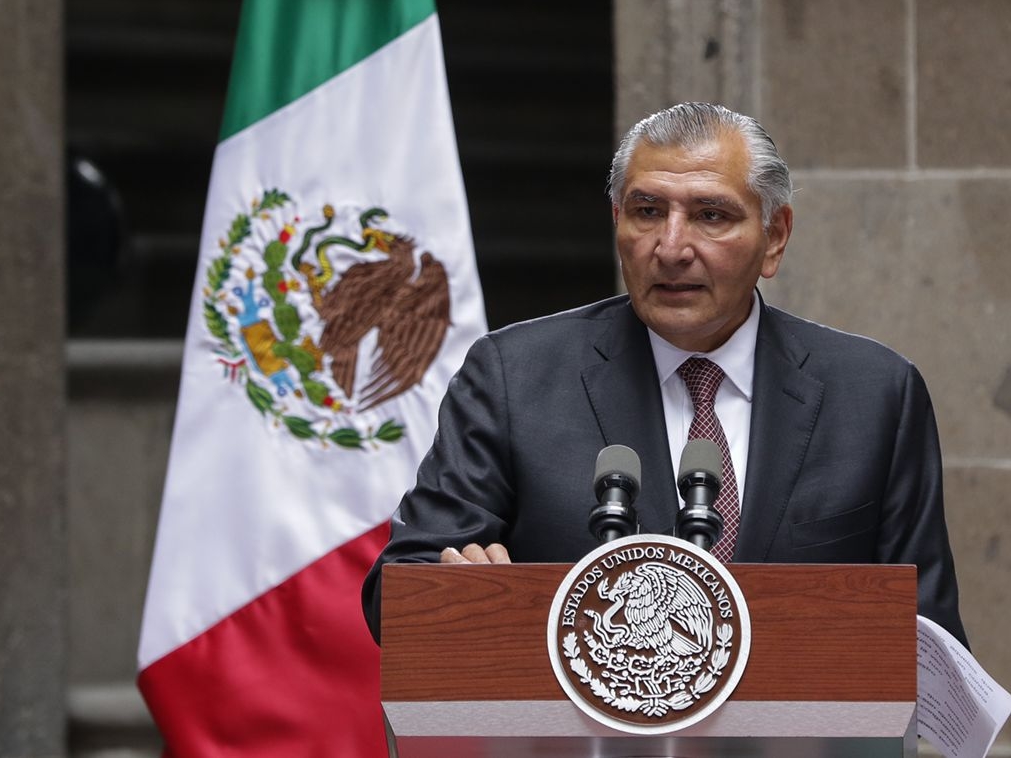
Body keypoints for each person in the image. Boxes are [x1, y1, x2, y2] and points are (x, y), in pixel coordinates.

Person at [362, 102, 966, 645]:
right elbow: (397, 593)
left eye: (710, 216)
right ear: (617, 223)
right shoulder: (512, 379)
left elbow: (929, 640)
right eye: (648, 211)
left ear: (774, 238)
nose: (671, 247)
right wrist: (465, 599)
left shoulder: (874, 395)